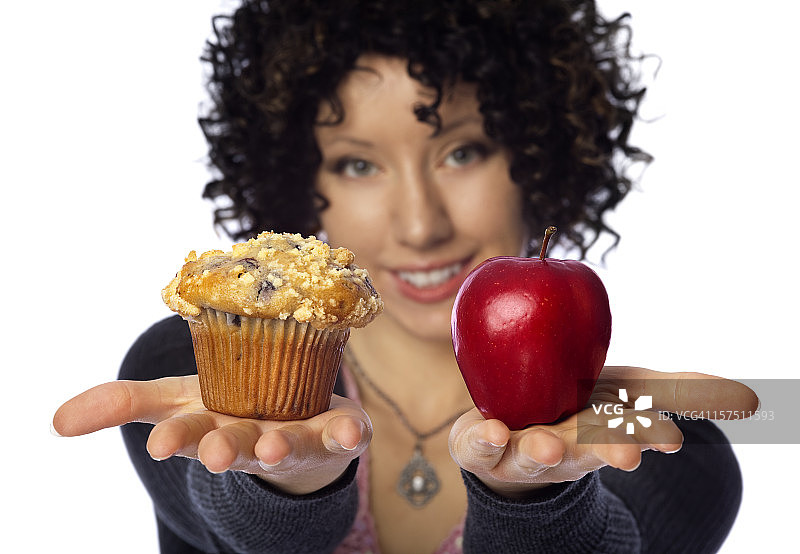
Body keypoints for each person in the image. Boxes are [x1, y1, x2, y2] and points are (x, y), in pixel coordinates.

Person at [52, 1, 759, 552]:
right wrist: (282, 485)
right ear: (300, 178)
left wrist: (535, 503)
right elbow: (234, 532)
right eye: (358, 164)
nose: (420, 225)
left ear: (541, 153)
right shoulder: (196, 370)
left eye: (463, 152)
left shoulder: (654, 438)